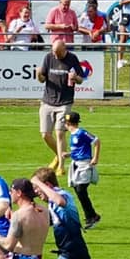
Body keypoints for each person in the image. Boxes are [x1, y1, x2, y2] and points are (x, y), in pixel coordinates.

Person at [38, 38, 86, 168]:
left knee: (59, 132)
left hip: (65, 102)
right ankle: (59, 156)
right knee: (45, 135)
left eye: (58, 53)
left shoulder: (72, 58)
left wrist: (75, 78)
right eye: (54, 52)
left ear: (64, 49)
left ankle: (61, 167)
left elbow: (81, 79)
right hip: (47, 101)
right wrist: (38, 75)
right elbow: (42, 79)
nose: (55, 55)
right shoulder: (48, 57)